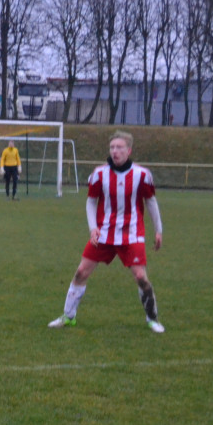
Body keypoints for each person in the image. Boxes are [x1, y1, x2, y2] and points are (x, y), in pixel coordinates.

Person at [48, 130, 166, 333]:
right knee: (81, 272)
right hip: (104, 233)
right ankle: (68, 316)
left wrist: (158, 230)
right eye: (112, 147)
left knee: (140, 277)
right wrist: (93, 228)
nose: (115, 151)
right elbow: (91, 202)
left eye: (119, 147)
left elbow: (151, 201)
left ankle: (152, 318)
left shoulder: (142, 175)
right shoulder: (99, 174)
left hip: (132, 233)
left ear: (128, 150)